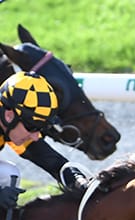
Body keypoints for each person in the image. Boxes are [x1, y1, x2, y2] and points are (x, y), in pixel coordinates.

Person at [0, 71, 89, 210]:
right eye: (32, 127)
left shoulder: (10, 122)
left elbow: (49, 159)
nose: (35, 136)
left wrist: (78, 179)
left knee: (8, 173)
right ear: (9, 115)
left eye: (40, 129)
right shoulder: (12, 123)